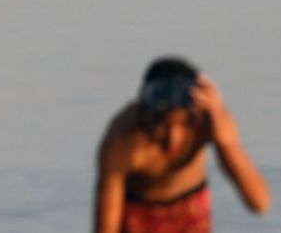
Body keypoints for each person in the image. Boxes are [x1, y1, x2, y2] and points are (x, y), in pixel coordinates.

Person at [94, 57, 269, 233]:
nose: (172, 139)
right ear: (145, 114)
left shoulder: (208, 122)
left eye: (184, 124)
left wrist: (224, 142)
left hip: (191, 215)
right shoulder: (123, 141)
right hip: (139, 217)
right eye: (162, 125)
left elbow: (260, 203)